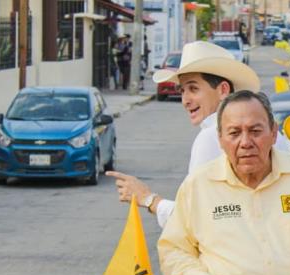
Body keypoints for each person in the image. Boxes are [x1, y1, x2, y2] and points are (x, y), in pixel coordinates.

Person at [158, 90, 290, 275]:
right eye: (234, 133)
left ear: (273, 133)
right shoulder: (198, 185)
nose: (245, 142)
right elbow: (173, 250)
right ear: (220, 139)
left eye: (255, 131)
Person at [107, 41, 261, 228]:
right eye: (182, 91)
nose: (185, 100)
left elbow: (195, 220)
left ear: (223, 90)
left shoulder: (213, 137)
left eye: (193, 89)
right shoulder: (263, 130)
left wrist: (148, 199)